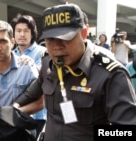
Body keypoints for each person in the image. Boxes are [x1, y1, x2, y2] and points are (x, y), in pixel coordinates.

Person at [13, 3, 136, 141]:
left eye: (65, 38)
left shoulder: (110, 75)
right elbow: (37, 86)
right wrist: (15, 106)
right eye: (50, 39)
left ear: (84, 33)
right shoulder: (48, 62)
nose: (57, 47)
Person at [10, 13, 47, 138]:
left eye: (26, 31)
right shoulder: (11, 55)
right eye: (18, 30)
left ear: (33, 33)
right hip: (16, 115)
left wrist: (32, 65)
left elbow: (45, 79)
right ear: (13, 34)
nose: (22, 34)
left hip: (38, 115)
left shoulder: (42, 52)